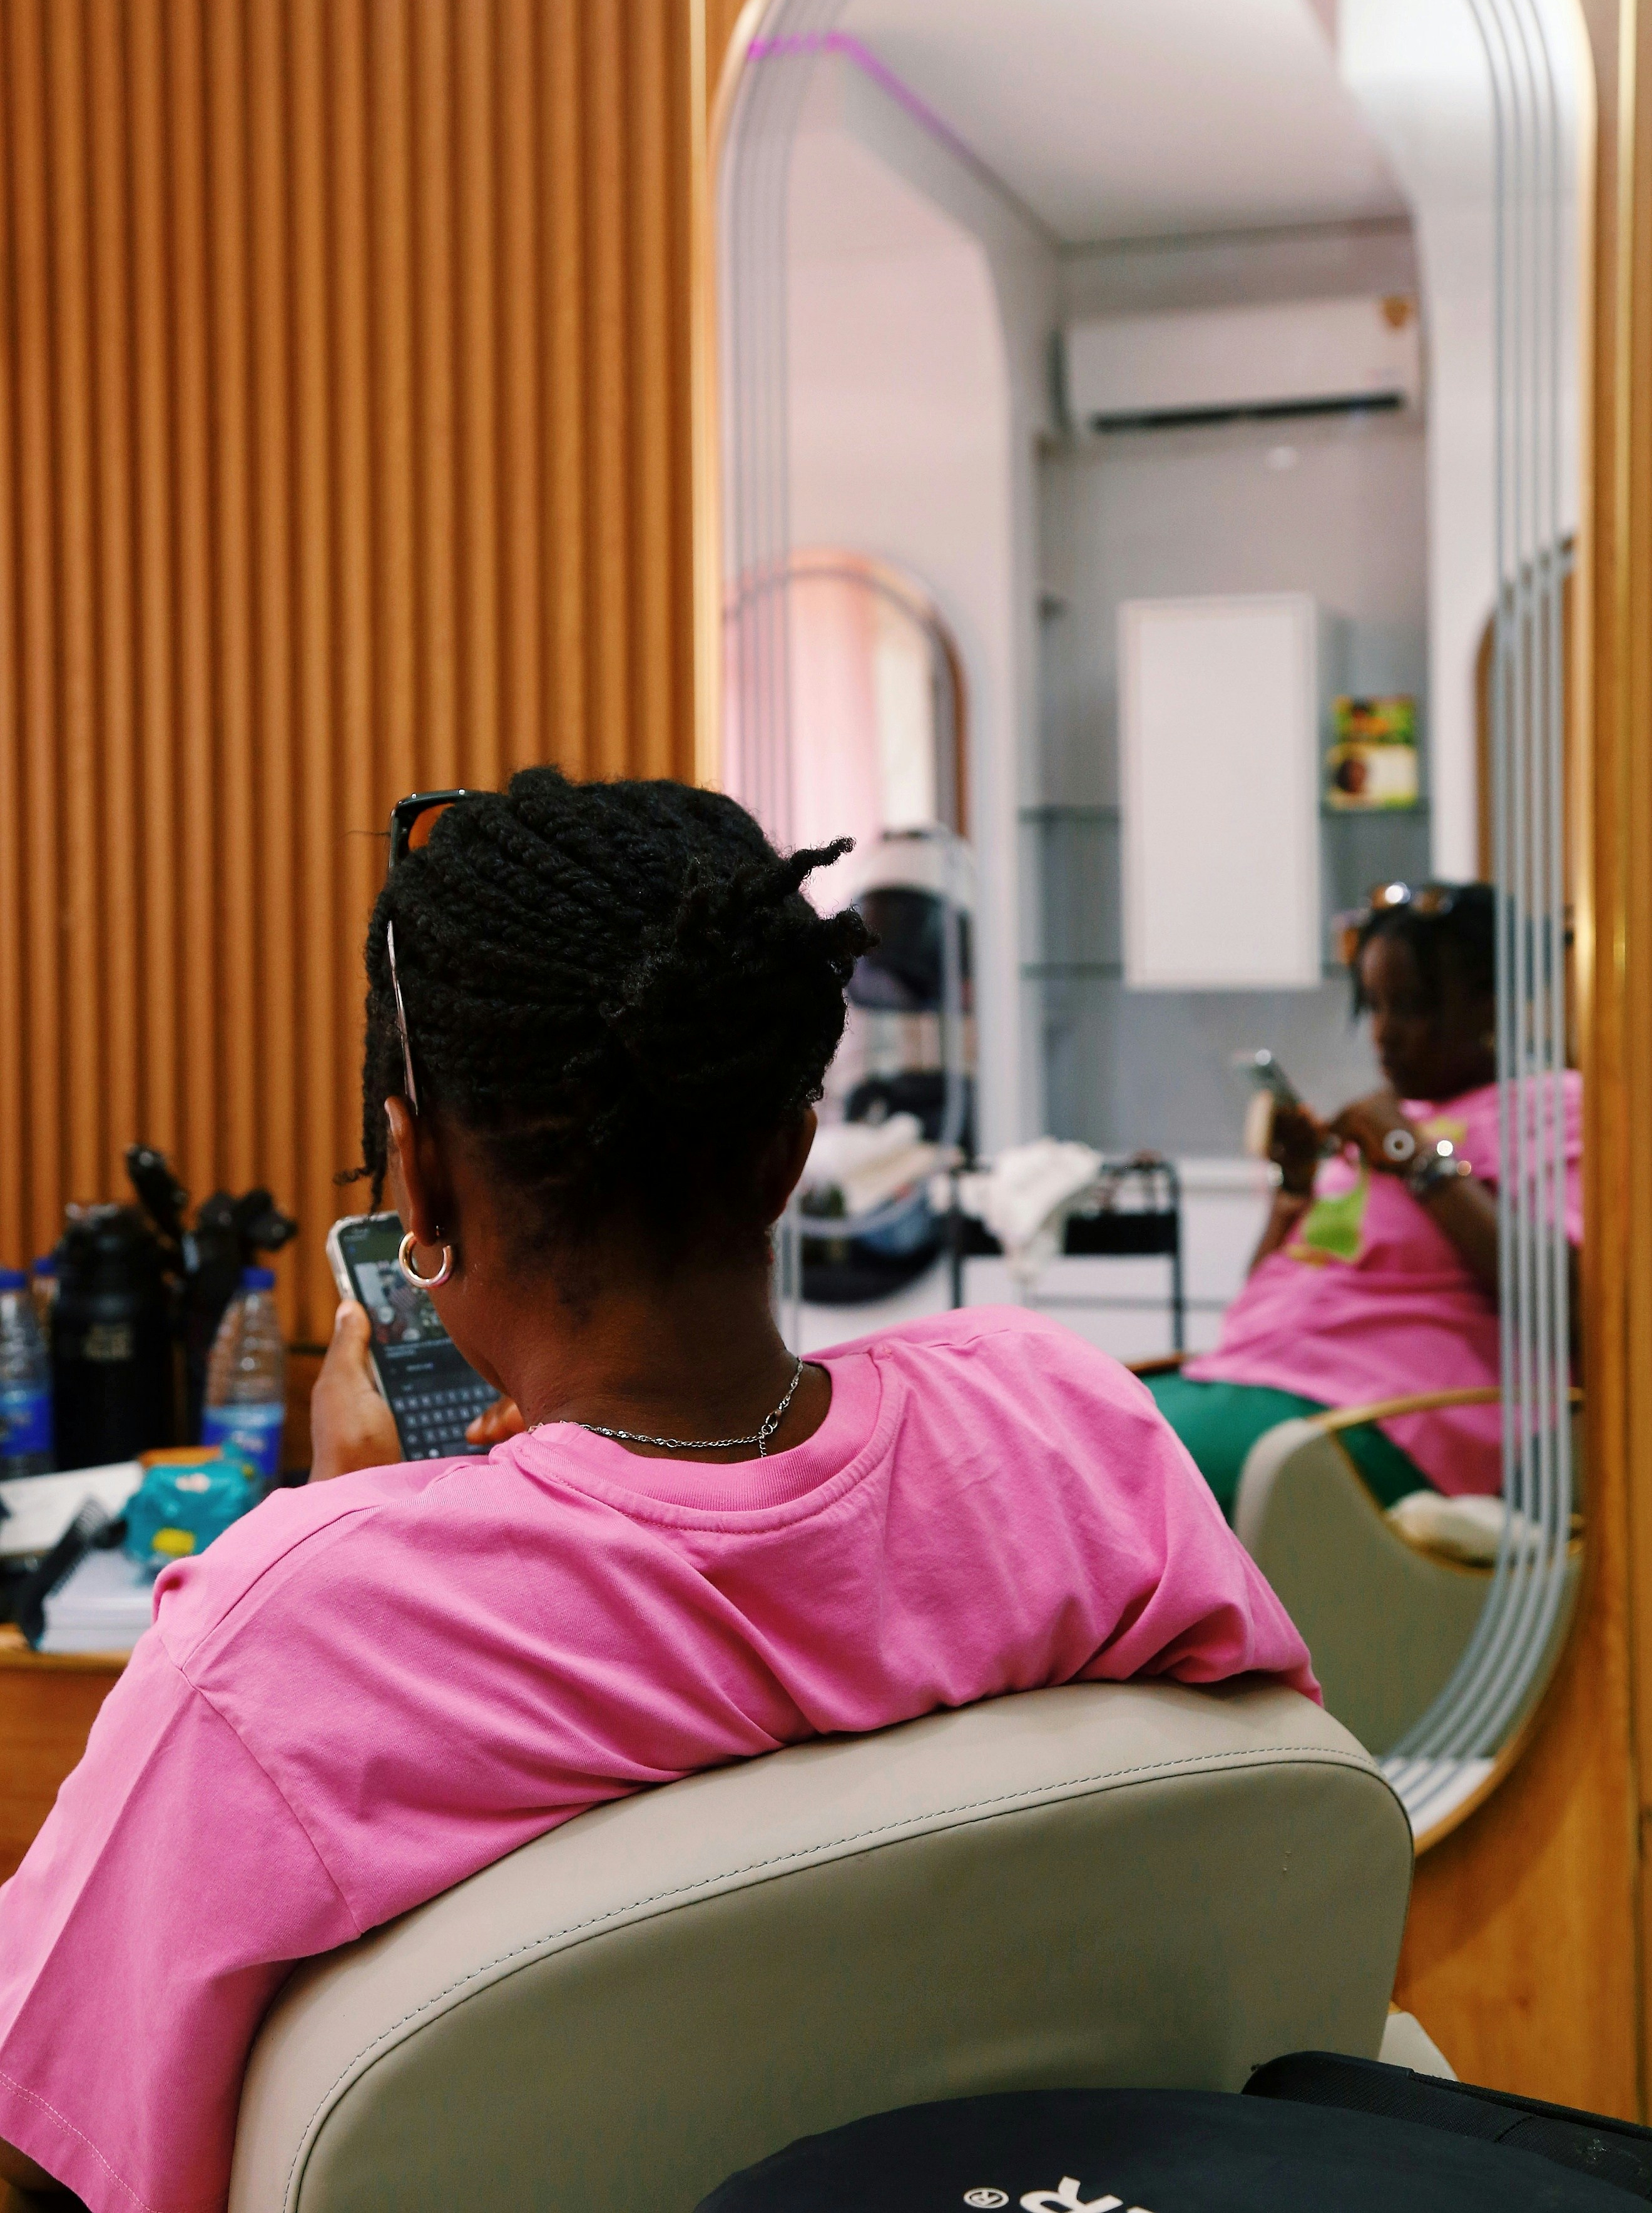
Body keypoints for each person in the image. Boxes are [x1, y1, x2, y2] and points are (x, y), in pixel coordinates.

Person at [0, 770, 1312, 2213]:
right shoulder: (1069, 1431)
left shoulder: (285, 1637)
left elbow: (47, 2154)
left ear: (418, 1181)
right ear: (792, 1152)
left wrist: (347, 1538)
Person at [1148, 882, 1582, 1520]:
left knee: (1121, 1486)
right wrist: (1295, 1188)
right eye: (1373, 1006)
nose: (1383, 1035)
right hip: (1251, 1375)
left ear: (1490, 1002)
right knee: (1056, 1441)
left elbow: (1566, 1301)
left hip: (1376, 1411)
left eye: (1410, 1007)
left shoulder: (1553, 1107)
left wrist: (1413, 1154)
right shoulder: (1382, 1122)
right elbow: (1271, 1292)